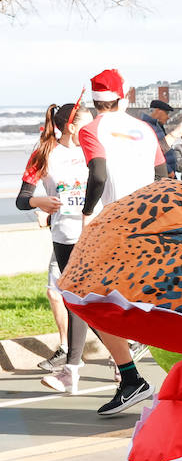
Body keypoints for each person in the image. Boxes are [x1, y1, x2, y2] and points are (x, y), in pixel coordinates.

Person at [77, 69, 165, 414]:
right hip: (153, 222)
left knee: (88, 300)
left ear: (93, 101)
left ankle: (131, 378)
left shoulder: (91, 129)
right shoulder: (144, 129)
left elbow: (98, 173)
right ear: (123, 96)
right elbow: (162, 177)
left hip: (115, 227)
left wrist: (87, 211)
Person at [17, 102, 99, 390]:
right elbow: (22, 198)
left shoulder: (94, 150)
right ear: (71, 126)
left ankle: (84, 370)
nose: (93, 129)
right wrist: (40, 202)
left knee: (89, 300)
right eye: (87, 124)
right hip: (64, 237)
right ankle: (116, 366)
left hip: (95, 233)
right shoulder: (44, 154)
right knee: (78, 301)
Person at [140, 99, 179, 178]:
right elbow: (151, 151)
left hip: (167, 174)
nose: (168, 117)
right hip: (162, 174)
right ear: (158, 111)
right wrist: (167, 170)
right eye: (166, 113)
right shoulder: (148, 127)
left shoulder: (157, 126)